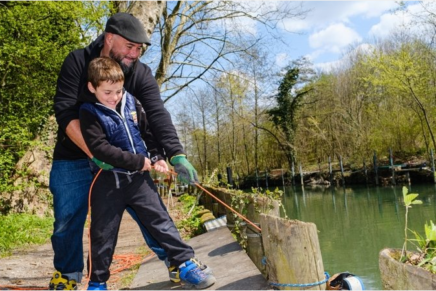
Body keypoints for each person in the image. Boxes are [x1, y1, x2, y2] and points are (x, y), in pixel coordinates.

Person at [49, 12, 209, 290]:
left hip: (127, 162)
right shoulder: (77, 62)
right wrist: (97, 154)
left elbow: (156, 115)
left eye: (139, 49)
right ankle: (69, 274)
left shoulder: (140, 73)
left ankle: (176, 263)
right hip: (74, 155)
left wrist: (175, 153)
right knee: (67, 219)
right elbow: (65, 113)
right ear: (109, 38)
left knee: (152, 214)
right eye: (129, 46)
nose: (135, 54)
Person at [79, 57, 216, 290]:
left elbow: (149, 133)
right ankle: (97, 282)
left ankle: (184, 264)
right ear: (92, 88)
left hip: (140, 181)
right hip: (107, 182)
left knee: (161, 222)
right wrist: (136, 161)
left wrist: (157, 157)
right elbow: (99, 148)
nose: (114, 98)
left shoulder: (132, 102)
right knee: (102, 234)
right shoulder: (89, 112)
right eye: (107, 93)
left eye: (118, 91)